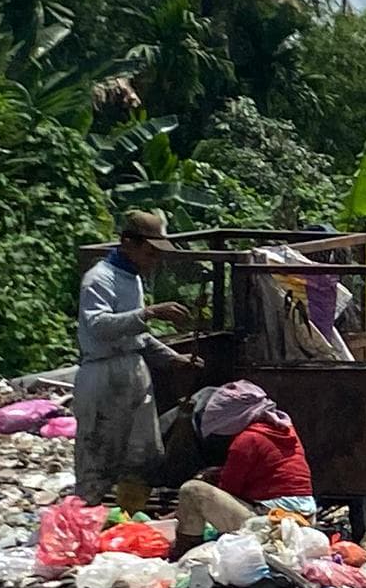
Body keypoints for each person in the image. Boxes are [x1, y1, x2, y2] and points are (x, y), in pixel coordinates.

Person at [72, 213, 178, 508]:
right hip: (102, 373)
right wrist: (150, 313)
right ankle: (87, 513)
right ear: (128, 243)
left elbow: (136, 335)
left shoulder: (134, 279)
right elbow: (98, 325)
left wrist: (172, 358)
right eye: (150, 252)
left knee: (142, 453)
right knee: (97, 453)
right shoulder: (99, 278)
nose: (154, 260)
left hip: (132, 370)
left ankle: (129, 516)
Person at [169, 380, 314, 545]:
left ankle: (184, 548)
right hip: (304, 518)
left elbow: (230, 489)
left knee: (191, 490)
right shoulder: (284, 429)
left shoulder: (246, 440)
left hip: (272, 523)